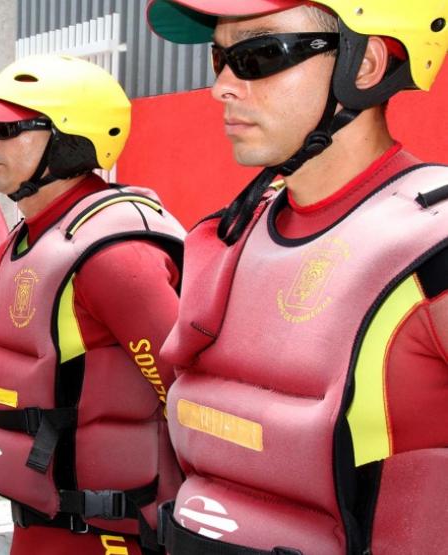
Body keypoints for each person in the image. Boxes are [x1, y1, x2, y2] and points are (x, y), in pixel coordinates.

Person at [146, 1, 448, 553]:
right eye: (219, 57)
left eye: (260, 54)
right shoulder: (229, 236)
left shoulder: (434, 249)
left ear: (366, 64)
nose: (223, 88)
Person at [0, 54, 187, 555]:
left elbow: (186, 395)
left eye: (7, 128)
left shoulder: (112, 255)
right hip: (41, 524)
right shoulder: (30, 237)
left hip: (108, 534)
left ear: (69, 141)